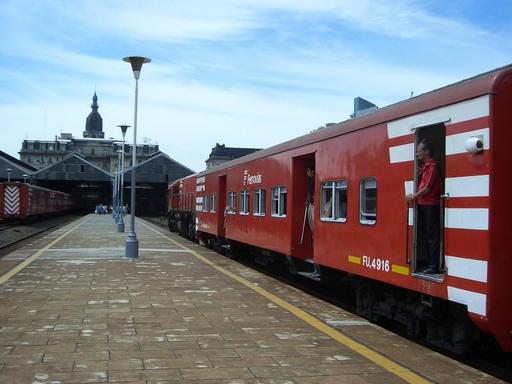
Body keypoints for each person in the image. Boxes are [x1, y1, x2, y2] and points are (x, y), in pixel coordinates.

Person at [406, 140, 441, 274]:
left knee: (432, 236)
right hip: (424, 205)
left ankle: (433, 265)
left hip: (430, 205)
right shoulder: (426, 167)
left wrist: (413, 197)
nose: (417, 153)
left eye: (419, 151)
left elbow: (427, 188)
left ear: (427, 152)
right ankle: (429, 262)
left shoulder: (432, 167)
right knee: (427, 235)